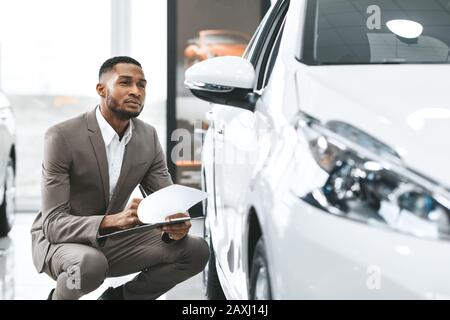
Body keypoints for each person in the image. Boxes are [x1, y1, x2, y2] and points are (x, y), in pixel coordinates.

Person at [30, 56, 210, 300]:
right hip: (60, 241)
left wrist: (174, 225)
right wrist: (114, 221)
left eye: (142, 85)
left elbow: (167, 203)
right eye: (125, 83)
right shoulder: (62, 136)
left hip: (111, 241)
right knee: (88, 266)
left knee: (195, 250)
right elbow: (53, 224)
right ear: (101, 89)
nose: (136, 91)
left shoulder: (147, 137)